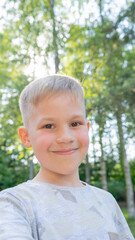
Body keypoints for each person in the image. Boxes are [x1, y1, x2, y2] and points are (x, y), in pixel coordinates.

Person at [0, 75, 134, 240]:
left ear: (87, 128)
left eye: (75, 123)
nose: (65, 137)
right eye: (49, 126)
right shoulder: (14, 204)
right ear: (26, 137)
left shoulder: (107, 202)